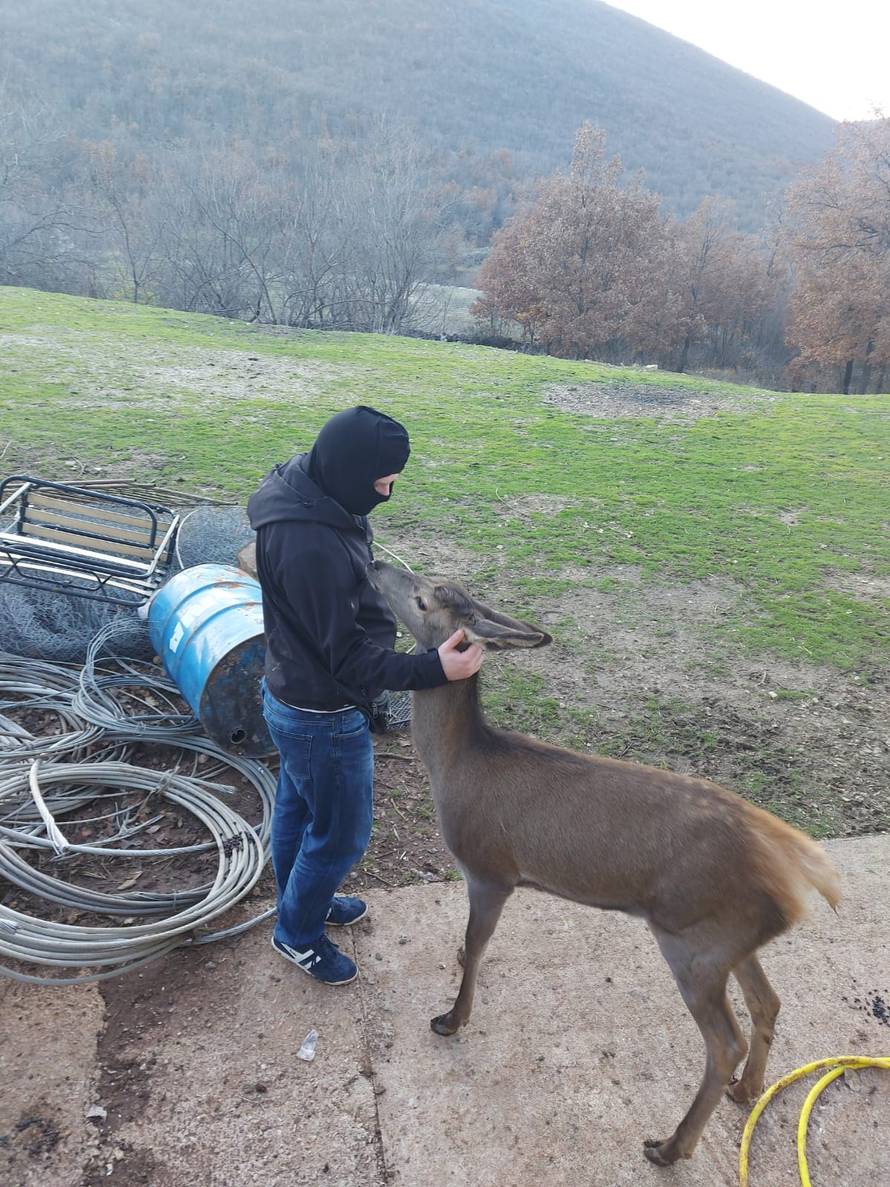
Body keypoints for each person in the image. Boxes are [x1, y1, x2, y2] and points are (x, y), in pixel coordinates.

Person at [247, 406, 483, 985]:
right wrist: (435, 669)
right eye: (381, 481)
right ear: (350, 469)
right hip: (321, 711)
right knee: (343, 832)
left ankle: (307, 898)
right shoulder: (311, 547)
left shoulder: (309, 491)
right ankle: (297, 934)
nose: (388, 492)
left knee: (299, 810)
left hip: (293, 690)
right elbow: (347, 657)